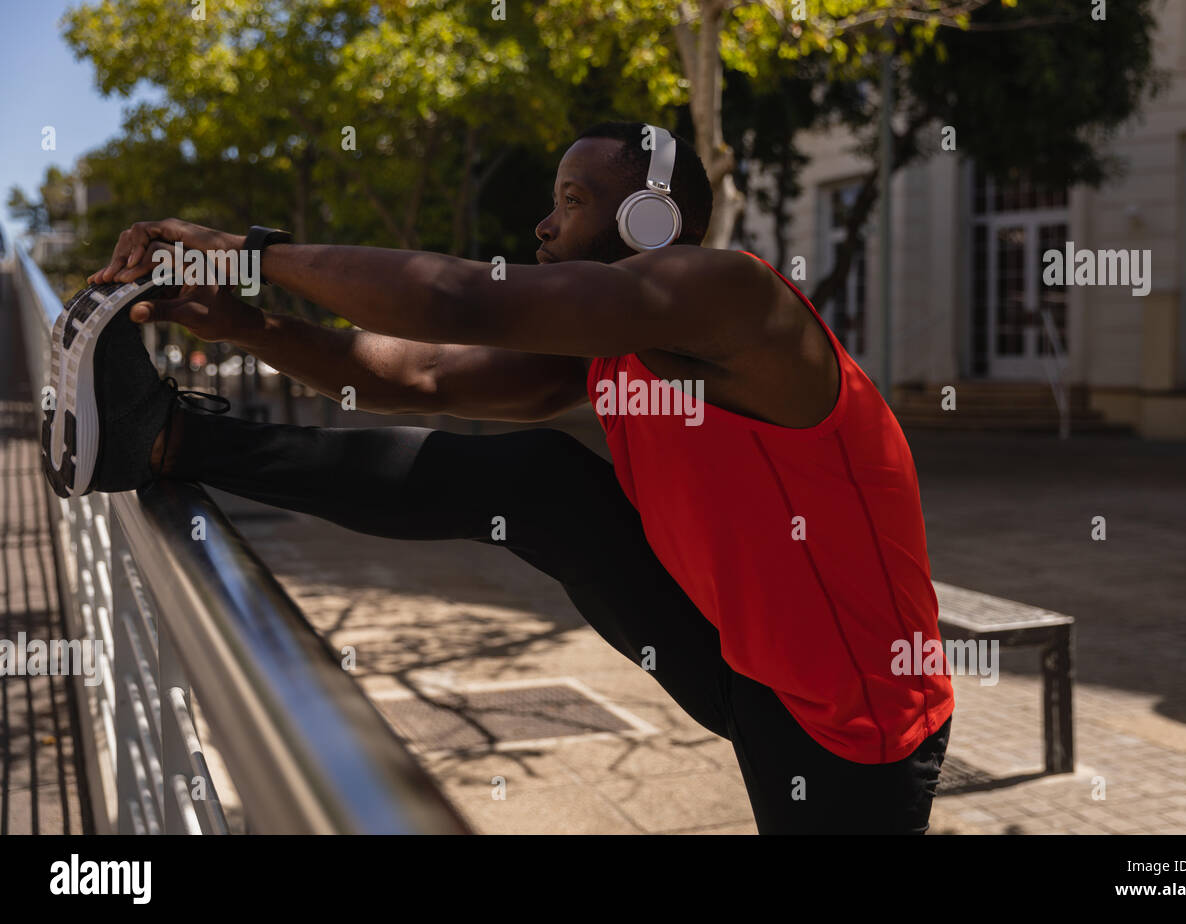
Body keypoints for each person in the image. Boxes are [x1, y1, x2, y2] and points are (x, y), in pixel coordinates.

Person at [44, 120, 953, 834]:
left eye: (573, 199)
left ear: (649, 221)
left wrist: (240, 251)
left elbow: (459, 297)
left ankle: (168, 439)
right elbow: (418, 374)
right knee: (538, 481)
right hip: (739, 661)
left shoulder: (735, 298)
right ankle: (167, 441)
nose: (544, 222)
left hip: (854, 713)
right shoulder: (612, 349)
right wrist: (251, 329)